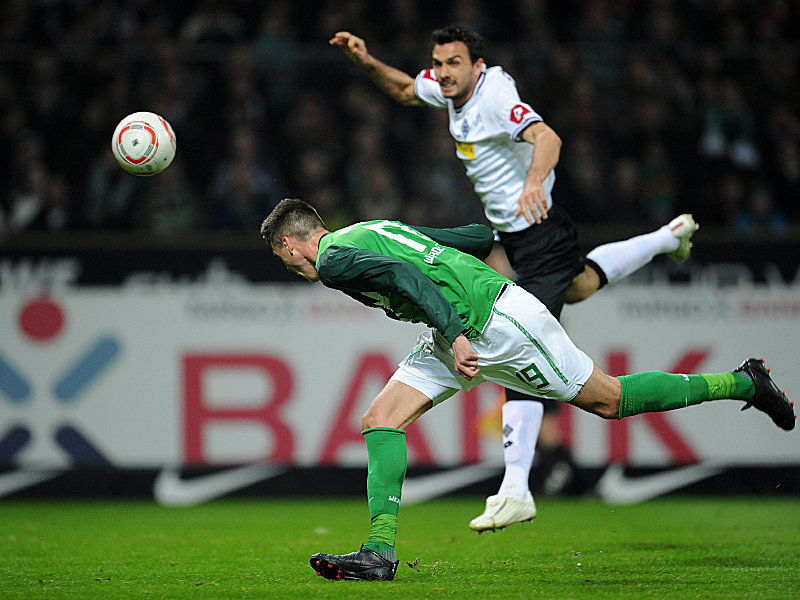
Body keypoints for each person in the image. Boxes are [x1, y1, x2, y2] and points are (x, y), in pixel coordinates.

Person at [260, 198, 795, 582]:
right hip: (459, 324)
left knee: (610, 399)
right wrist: (460, 304)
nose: (286, 266)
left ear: (290, 242)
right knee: (381, 419)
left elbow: (409, 280)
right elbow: (461, 239)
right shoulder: (367, 229)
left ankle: (744, 380)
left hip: (491, 323)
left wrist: (456, 334)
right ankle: (379, 551)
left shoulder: (331, 260)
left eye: (281, 256)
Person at [330, 26, 701, 531]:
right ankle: (668, 236)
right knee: (583, 285)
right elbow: (399, 89)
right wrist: (365, 59)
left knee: (514, 349)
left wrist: (532, 182)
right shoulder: (446, 89)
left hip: (539, 229)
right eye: (438, 62)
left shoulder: (495, 97)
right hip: (521, 237)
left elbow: (548, 137)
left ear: (477, 66)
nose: (443, 72)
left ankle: (516, 487)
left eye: (454, 63)